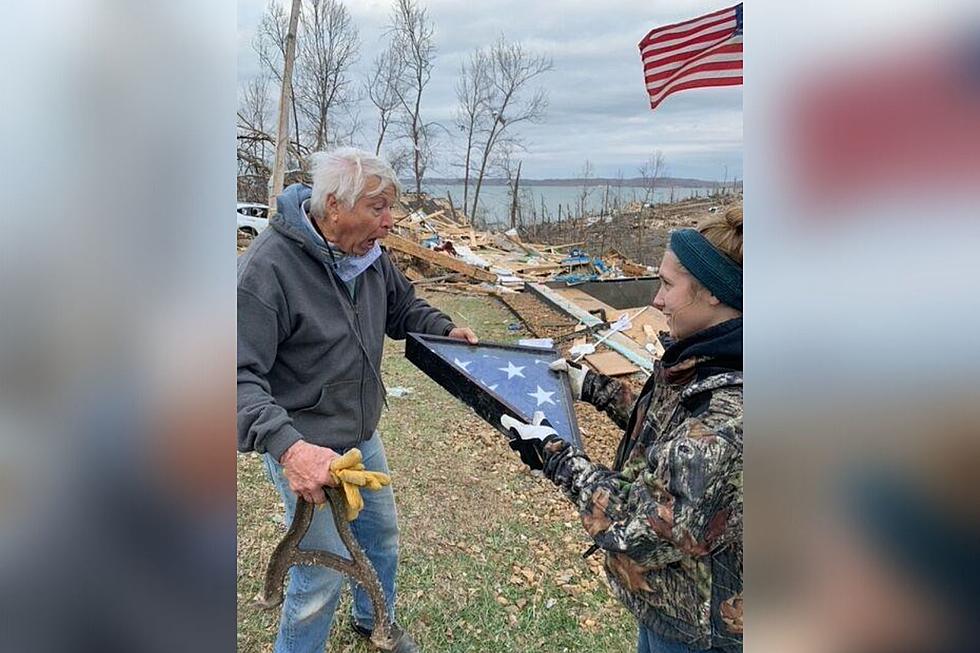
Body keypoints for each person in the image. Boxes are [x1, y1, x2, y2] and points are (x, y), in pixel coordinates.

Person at [237, 147, 478, 653]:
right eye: (377, 208)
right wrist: (291, 451)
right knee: (319, 569)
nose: (389, 223)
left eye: (390, 207)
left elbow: (403, 308)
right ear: (333, 208)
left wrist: (445, 330)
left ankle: (375, 622)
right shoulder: (267, 271)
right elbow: (235, 377)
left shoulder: (367, 255)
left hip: (360, 435)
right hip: (305, 444)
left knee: (381, 536)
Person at [505, 207, 743, 653]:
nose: (657, 299)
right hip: (673, 607)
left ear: (713, 292)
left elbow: (646, 528)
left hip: (704, 632)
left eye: (669, 285)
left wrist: (555, 456)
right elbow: (673, 430)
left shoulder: (730, 412)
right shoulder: (708, 359)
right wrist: (592, 387)